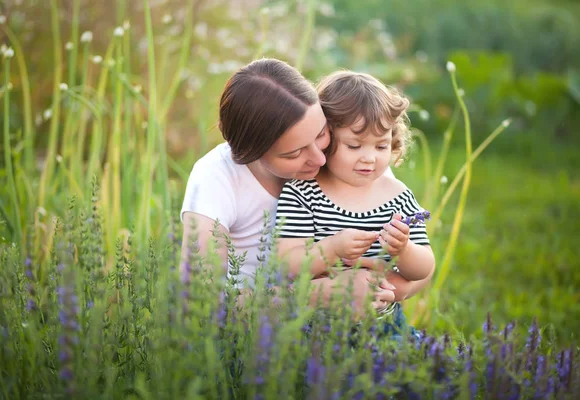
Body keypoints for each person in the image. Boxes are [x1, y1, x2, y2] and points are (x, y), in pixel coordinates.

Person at [180, 58, 430, 316]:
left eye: (321, 133)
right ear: (250, 153)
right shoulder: (216, 178)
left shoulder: (354, 160)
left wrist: (379, 289)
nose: (320, 159)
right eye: (294, 153)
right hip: (256, 327)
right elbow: (200, 299)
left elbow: (419, 270)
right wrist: (321, 294)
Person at [275, 70, 435, 326]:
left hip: (383, 324)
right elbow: (286, 266)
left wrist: (403, 249)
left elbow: (423, 268)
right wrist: (332, 248)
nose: (369, 157)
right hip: (315, 325)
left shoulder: (397, 196)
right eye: (354, 146)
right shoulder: (303, 193)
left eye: (381, 146)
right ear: (324, 138)